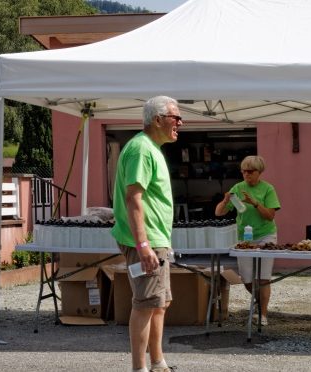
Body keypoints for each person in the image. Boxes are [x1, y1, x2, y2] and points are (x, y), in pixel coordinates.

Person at [111, 96, 182, 372]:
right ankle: (140, 368)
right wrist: (143, 245)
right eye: (176, 118)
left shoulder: (151, 148)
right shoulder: (141, 150)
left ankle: (157, 363)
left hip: (156, 241)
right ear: (157, 119)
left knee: (159, 303)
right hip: (146, 242)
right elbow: (133, 198)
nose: (180, 123)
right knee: (145, 304)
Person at [215, 155, 280, 325]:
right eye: (243, 171)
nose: (246, 175)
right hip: (244, 238)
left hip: (266, 234)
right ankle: (260, 303)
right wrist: (225, 201)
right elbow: (219, 213)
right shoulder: (237, 188)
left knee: (264, 277)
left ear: (259, 172)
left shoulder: (268, 189)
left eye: (250, 171)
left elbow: (270, 216)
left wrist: (255, 203)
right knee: (247, 278)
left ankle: (263, 315)